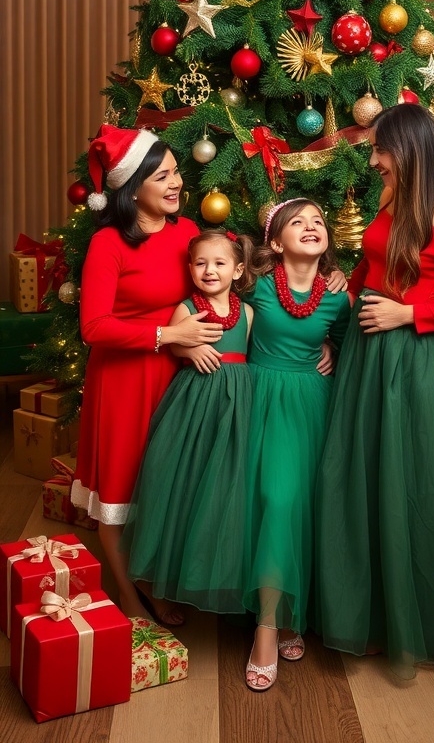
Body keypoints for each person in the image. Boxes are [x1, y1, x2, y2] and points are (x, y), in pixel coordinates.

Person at [315, 103, 434, 677]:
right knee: (368, 482)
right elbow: (377, 267)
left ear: (409, 148)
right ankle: (374, 617)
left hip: (417, 367)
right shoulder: (395, 197)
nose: (372, 161)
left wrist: (406, 316)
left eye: (380, 149)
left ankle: (417, 621)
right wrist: (346, 307)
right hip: (371, 361)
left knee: (412, 487)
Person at [71, 124, 223, 622]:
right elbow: (93, 326)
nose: (177, 183)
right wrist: (166, 336)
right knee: (122, 488)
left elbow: (221, 283)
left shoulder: (188, 233)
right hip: (124, 383)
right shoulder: (109, 244)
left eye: (177, 171)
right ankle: (132, 597)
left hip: (178, 381)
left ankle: (156, 580)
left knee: (164, 484)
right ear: (133, 186)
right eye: (163, 176)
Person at [241, 198, 351, 691]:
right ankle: (266, 626)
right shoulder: (256, 288)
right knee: (275, 504)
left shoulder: (338, 297)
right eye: (297, 223)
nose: (311, 227)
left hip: (314, 405)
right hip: (260, 400)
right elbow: (220, 323)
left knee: (306, 509)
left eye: (319, 222)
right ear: (274, 241)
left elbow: (351, 345)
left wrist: (331, 347)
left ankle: (290, 613)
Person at [122, 230, 254, 615]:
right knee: (179, 479)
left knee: (224, 484)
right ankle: (157, 581)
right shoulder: (187, 307)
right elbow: (171, 342)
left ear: (238, 269)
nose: (209, 270)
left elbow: (260, 348)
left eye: (219, 263)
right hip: (194, 401)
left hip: (237, 404)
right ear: (190, 268)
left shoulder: (246, 311)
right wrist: (189, 346)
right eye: (200, 263)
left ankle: (213, 573)